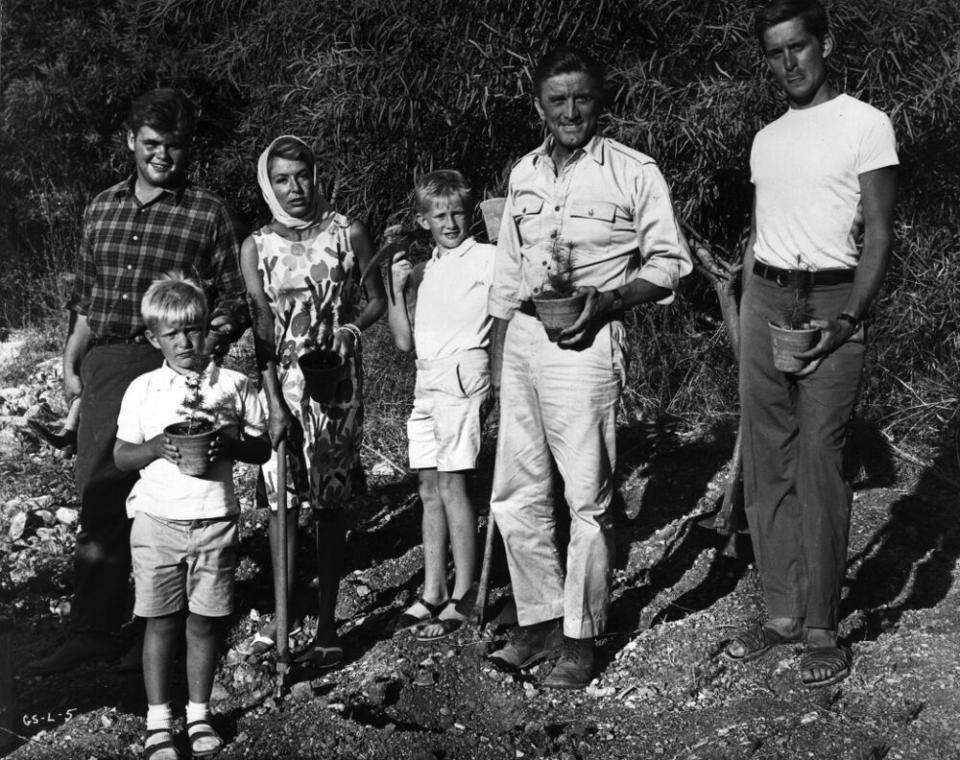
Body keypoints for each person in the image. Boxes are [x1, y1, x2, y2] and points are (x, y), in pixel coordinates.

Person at [487, 47, 693, 689]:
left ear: (600, 102)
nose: (570, 112)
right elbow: (505, 275)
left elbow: (669, 264)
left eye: (581, 98)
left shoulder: (634, 172)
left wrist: (609, 300)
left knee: (587, 496)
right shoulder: (523, 173)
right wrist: (497, 362)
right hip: (523, 339)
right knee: (516, 493)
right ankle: (539, 618)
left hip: (587, 342)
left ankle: (581, 634)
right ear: (540, 107)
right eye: (557, 100)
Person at [29, 88, 249, 675]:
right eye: (151, 144)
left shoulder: (207, 212)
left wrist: (206, 341)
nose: (162, 157)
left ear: (187, 150)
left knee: (167, 504)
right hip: (105, 363)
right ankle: (93, 628)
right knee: (101, 495)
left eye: (174, 147)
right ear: (130, 141)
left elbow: (234, 295)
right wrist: (73, 358)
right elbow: (86, 297)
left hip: (170, 368)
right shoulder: (100, 207)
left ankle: (156, 634)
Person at [725, 0, 897, 689]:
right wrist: (745, 306)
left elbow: (879, 231)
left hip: (832, 299)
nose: (788, 62)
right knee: (769, 456)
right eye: (775, 53)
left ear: (824, 44)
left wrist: (851, 317)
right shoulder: (766, 139)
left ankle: (823, 623)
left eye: (798, 46)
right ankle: (779, 611)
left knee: (823, 458)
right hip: (765, 296)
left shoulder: (866, 124)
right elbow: (765, 227)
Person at [239, 135, 387, 667]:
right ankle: (282, 623)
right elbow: (260, 329)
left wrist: (350, 329)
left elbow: (377, 300)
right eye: (282, 179)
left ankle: (327, 624)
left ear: (315, 175)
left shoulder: (347, 232)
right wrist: (273, 401)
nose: (294, 188)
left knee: (328, 503)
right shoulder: (256, 246)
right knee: (283, 506)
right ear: (267, 184)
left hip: (335, 385)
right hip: (283, 388)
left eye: (302, 175)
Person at [114, 274, 269, 760]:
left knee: (205, 622)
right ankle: (159, 721)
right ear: (152, 338)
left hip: (215, 519)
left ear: (211, 329)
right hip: (157, 521)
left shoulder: (234, 385)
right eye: (172, 334)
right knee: (159, 622)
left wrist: (232, 440)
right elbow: (120, 456)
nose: (185, 343)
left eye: (195, 330)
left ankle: (199, 714)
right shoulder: (144, 389)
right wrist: (157, 447)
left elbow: (262, 448)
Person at [385, 170, 495, 640]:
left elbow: (512, 305)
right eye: (439, 215)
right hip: (426, 379)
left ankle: (466, 592)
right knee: (428, 487)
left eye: (458, 213)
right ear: (423, 220)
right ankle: (433, 589)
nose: (450, 223)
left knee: (453, 485)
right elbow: (403, 341)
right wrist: (395, 288)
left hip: (463, 372)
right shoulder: (425, 269)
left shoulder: (487, 258)